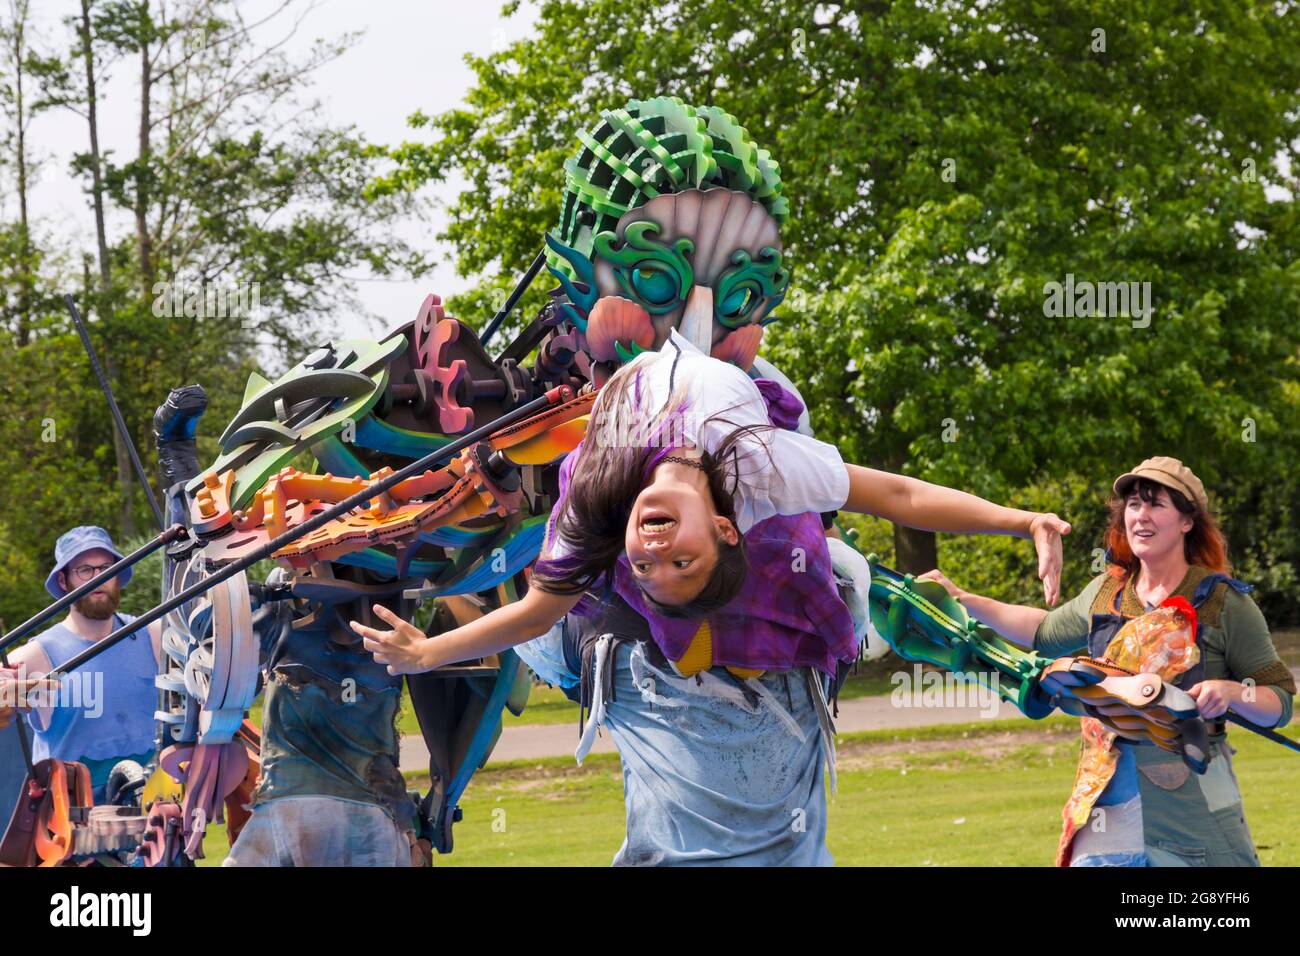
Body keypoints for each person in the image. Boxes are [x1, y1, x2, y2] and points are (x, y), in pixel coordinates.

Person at [354, 331, 1071, 865]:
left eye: (650, 564)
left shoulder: (601, 503)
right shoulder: (762, 469)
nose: (655, 553)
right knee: (846, 574)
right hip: (697, 345)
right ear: (727, 528)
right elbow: (900, 493)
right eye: (683, 560)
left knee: (561, 614)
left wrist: (425, 651)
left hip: (623, 360)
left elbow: (537, 611)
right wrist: (1020, 519)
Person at [920, 457, 1294, 866]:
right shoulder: (1107, 591)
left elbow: (1279, 703)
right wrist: (963, 601)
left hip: (1196, 810)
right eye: (1133, 505)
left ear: (1188, 521)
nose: (1141, 516)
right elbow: (1043, 632)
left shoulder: (1225, 603)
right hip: (1108, 805)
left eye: (1156, 505)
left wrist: (1232, 692)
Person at [0, 526, 161, 804]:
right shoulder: (39, 653)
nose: (98, 578)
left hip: (152, 809)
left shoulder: (152, 634)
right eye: (85, 570)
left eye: (106, 568)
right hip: (74, 821)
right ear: (64, 581)